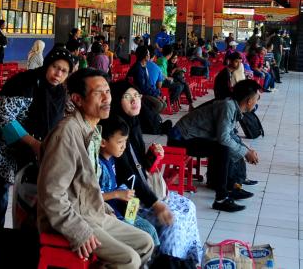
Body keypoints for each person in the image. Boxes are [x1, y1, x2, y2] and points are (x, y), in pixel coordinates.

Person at [37, 68, 154, 268]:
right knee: (129, 260)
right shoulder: (66, 135)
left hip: (93, 213)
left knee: (146, 242)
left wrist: (103, 207)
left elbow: (87, 187)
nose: (107, 98)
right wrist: (78, 230)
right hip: (70, 219)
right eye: (98, 93)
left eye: (108, 91)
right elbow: (51, 194)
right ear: (78, 99)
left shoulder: (93, 131)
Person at [0, 48, 74, 249]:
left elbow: (55, 120)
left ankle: (24, 236)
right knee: (1, 186)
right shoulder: (26, 82)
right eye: (55, 67)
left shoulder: (59, 91)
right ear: (46, 64)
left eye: (64, 71)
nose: (58, 74)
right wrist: (35, 144)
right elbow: (5, 118)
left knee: (25, 185)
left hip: (22, 140)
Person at [110, 81, 202, 265]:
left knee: (188, 206)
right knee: (172, 224)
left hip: (142, 193)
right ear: (117, 101)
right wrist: (156, 204)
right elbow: (128, 176)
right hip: (127, 202)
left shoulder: (133, 124)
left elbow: (138, 166)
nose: (134, 101)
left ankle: (188, 260)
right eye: (127, 97)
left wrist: (151, 157)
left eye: (136, 96)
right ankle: (167, 263)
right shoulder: (115, 131)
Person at [168, 80, 262, 212]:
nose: (257, 102)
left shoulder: (232, 106)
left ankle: (230, 187)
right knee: (223, 147)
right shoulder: (228, 107)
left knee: (229, 146)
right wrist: (245, 152)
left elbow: (231, 135)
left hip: (191, 138)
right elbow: (224, 138)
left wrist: (246, 150)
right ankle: (221, 198)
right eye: (256, 99)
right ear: (249, 101)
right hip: (180, 140)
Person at [97, 115, 160, 247]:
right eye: (119, 142)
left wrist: (126, 194)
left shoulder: (112, 159)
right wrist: (117, 194)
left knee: (152, 230)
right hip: (110, 217)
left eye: (125, 142)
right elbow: (92, 197)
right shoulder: (98, 165)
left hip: (121, 211)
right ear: (103, 142)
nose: (123, 146)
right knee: (147, 233)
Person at [127, 45, 167, 115]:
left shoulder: (143, 66)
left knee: (164, 104)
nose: (149, 55)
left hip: (144, 92)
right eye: (148, 54)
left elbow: (148, 84)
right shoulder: (138, 68)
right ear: (144, 56)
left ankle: (152, 119)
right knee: (159, 105)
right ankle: (148, 119)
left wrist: (158, 93)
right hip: (138, 94)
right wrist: (156, 95)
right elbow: (142, 88)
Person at [158, 45, 193, 111]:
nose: (174, 60)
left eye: (176, 58)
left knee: (182, 85)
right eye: (173, 58)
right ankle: (167, 104)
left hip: (169, 80)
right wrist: (168, 77)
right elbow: (160, 72)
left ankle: (171, 103)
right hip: (163, 81)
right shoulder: (163, 61)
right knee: (181, 85)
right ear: (170, 54)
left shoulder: (164, 60)